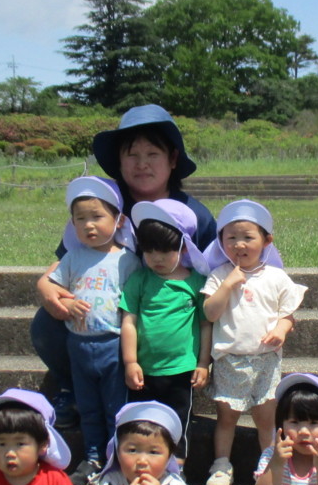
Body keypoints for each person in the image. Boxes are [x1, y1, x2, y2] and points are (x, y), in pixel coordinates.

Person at [32, 105, 217, 427]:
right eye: (132, 155)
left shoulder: (194, 215)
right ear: (119, 162)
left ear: (173, 159)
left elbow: (215, 274)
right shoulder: (102, 205)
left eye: (153, 154)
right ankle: (73, 388)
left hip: (169, 319)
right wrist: (45, 286)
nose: (142, 164)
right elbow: (67, 259)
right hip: (105, 308)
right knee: (46, 324)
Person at [201, 200, 307, 485]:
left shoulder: (276, 276)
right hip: (230, 359)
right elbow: (210, 313)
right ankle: (221, 465)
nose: (239, 244)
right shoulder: (220, 275)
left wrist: (281, 330)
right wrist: (227, 286)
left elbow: (287, 314)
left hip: (265, 360)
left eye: (248, 237)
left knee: (265, 418)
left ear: (266, 241)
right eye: (231, 238)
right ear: (221, 242)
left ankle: (270, 466)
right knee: (226, 417)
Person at [46, 176, 140, 485]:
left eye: (97, 216)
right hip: (79, 345)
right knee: (88, 407)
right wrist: (66, 303)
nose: (89, 225)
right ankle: (93, 456)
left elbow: (134, 305)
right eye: (80, 219)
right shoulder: (72, 257)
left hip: (113, 345)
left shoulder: (127, 260)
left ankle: (117, 458)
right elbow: (53, 288)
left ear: (118, 220)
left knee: (116, 408)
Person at [120, 198, 213, 463]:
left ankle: (176, 467)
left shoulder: (195, 282)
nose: (157, 258)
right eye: (149, 251)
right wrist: (130, 362)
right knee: (141, 421)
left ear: (183, 247)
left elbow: (205, 323)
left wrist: (203, 362)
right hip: (144, 369)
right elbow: (129, 322)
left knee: (179, 420)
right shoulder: (139, 279)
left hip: (181, 370)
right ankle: (140, 464)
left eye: (165, 250)